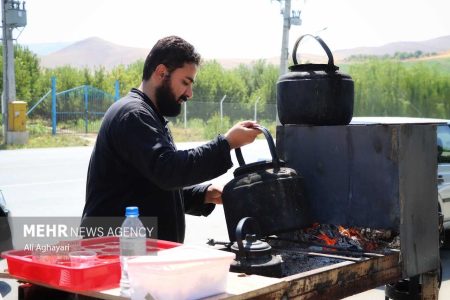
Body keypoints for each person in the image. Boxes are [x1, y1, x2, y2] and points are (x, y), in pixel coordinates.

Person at [81, 36, 260, 243]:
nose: (189, 93)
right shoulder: (134, 115)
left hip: (135, 255)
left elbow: (150, 187)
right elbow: (168, 171)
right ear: (161, 73)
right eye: (185, 82)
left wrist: (202, 194)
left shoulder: (149, 115)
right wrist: (226, 143)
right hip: (116, 256)